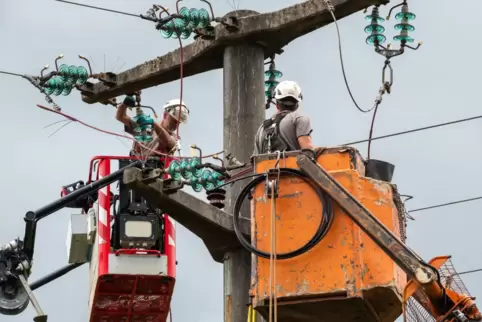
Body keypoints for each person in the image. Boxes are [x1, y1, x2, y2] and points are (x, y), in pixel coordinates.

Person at [115, 92, 189, 156]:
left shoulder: (175, 137)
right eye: (174, 121)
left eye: (178, 123)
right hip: (136, 168)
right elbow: (120, 117)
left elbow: (170, 142)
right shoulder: (146, 126)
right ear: (165, 115)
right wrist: (124, 105)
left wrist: (154, 124)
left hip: (157, 171)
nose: (176, 126)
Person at [254, 80, 314, 154]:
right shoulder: (299, 119)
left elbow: (254, 160)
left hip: (265, 165)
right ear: (296, 104)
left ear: (277, 104)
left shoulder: (262, 128)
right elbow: (308, 152)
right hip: (291, 165)